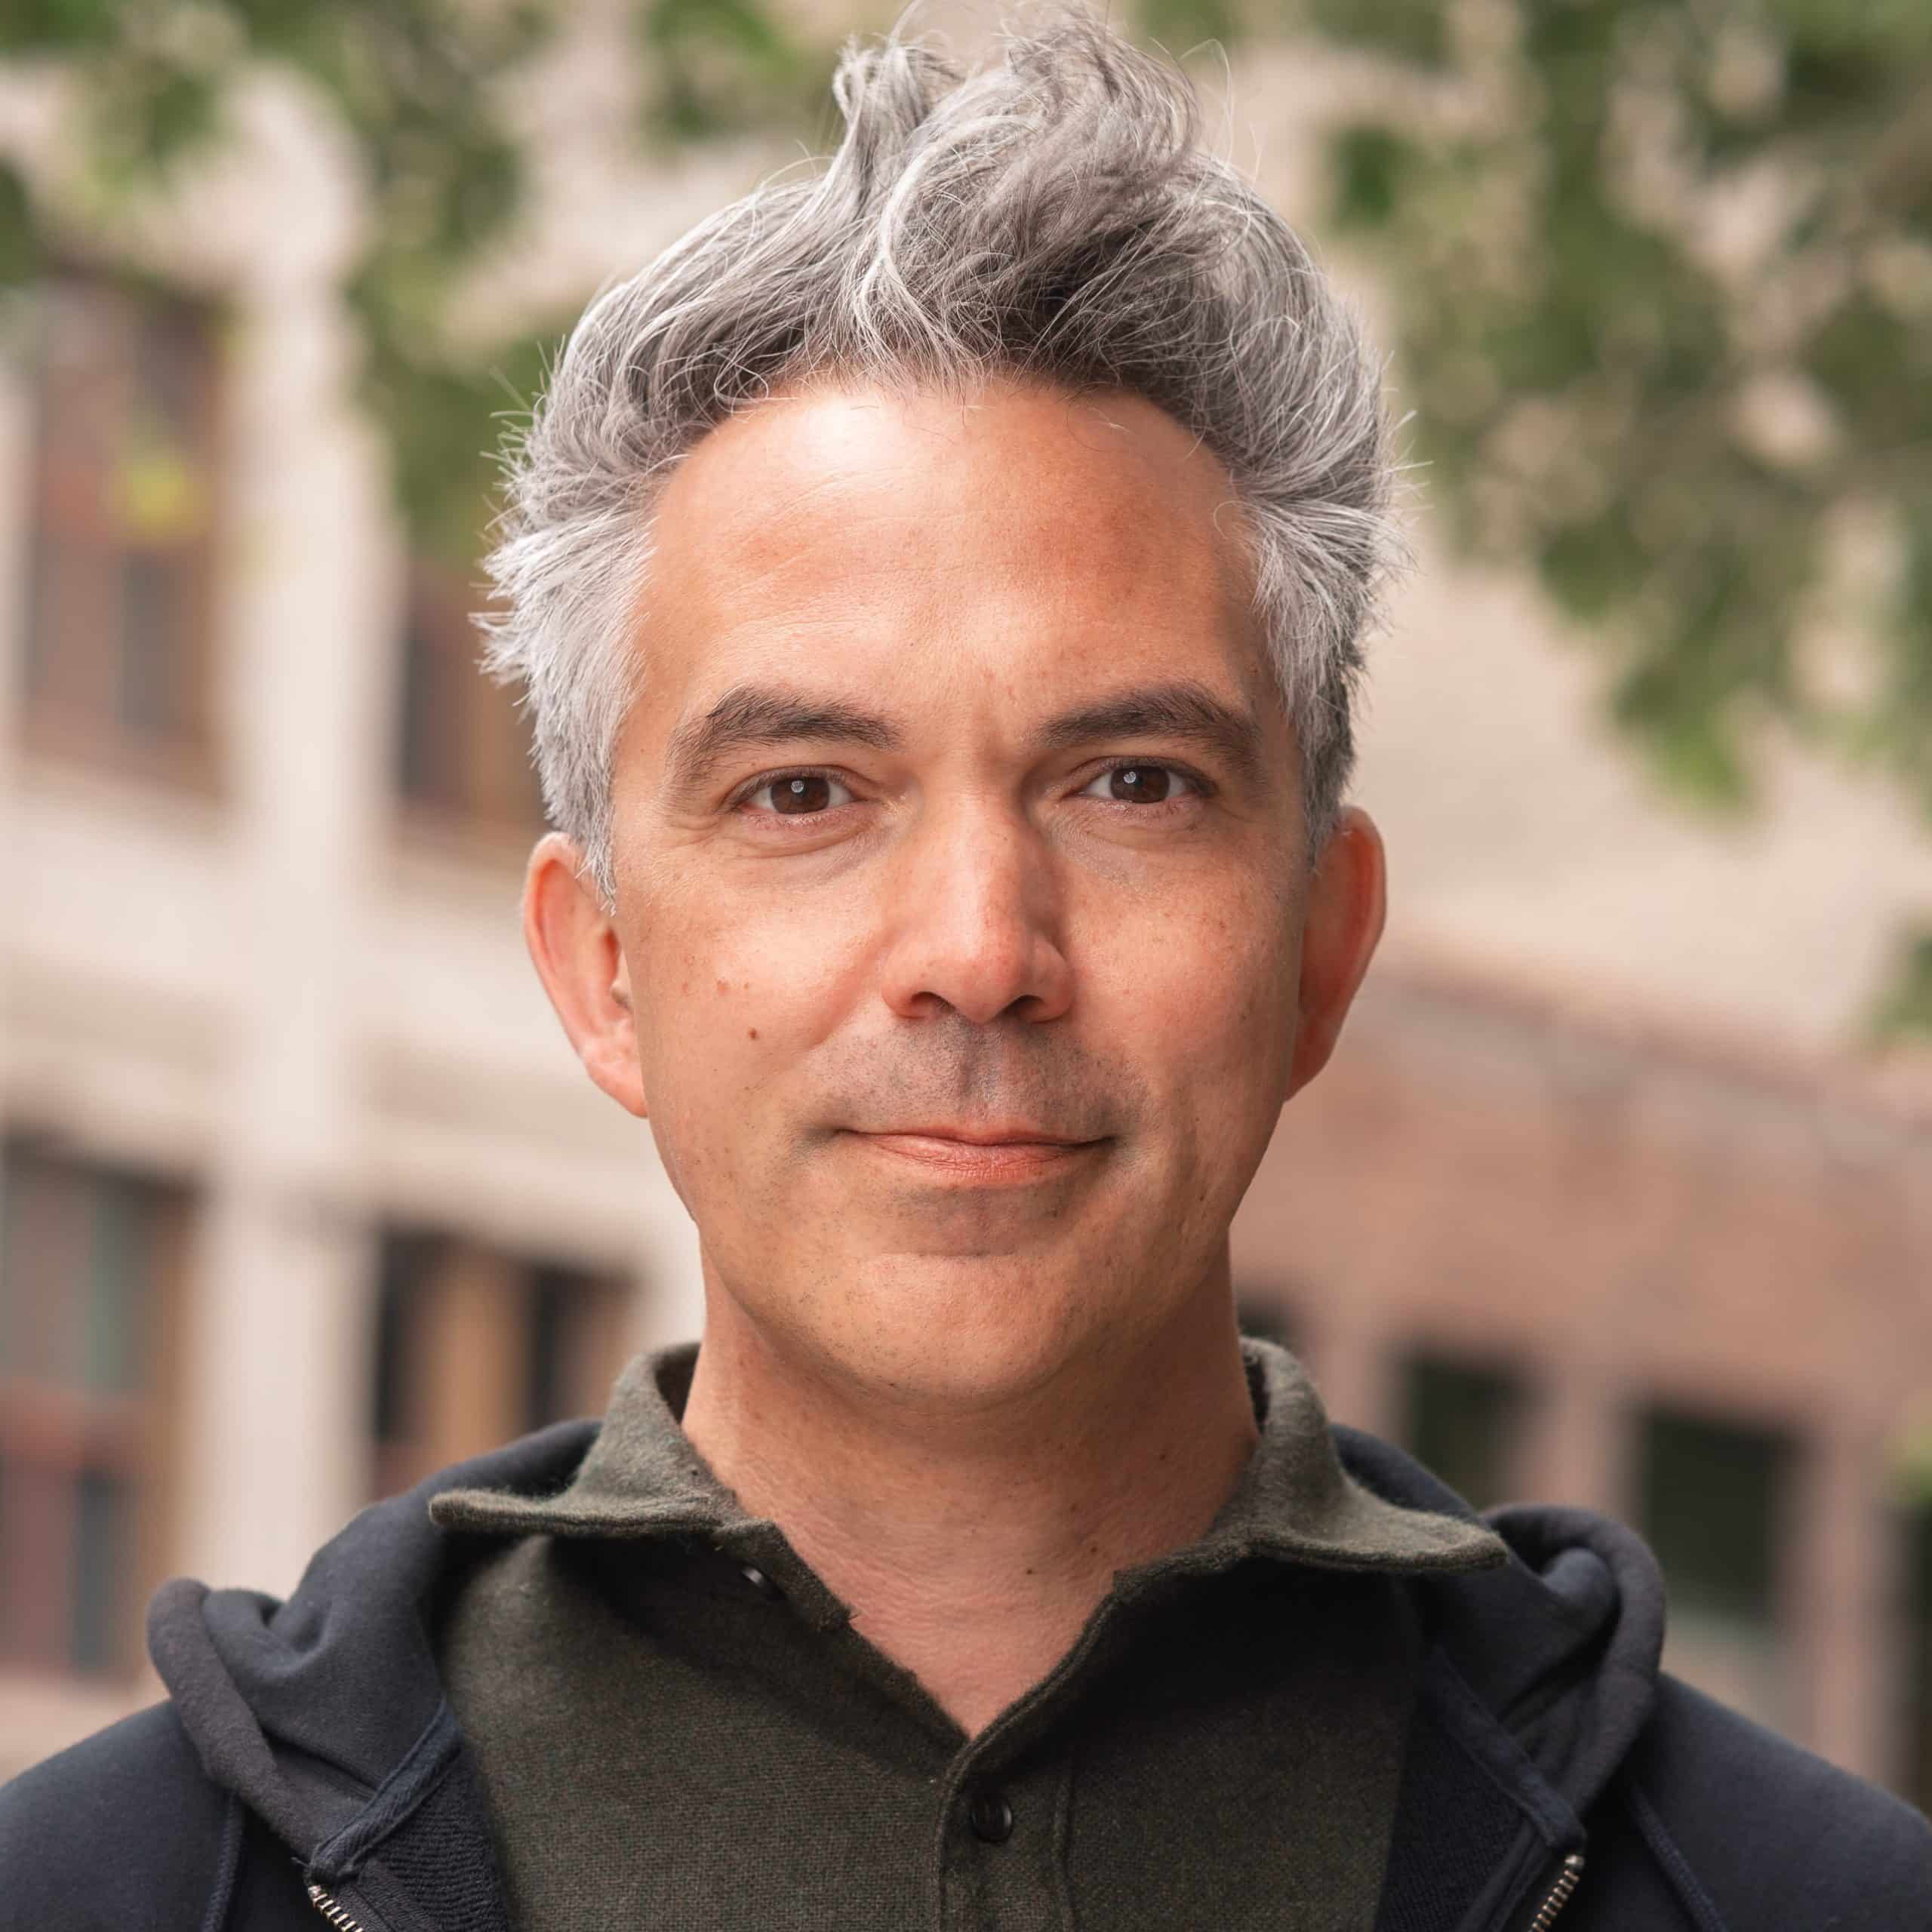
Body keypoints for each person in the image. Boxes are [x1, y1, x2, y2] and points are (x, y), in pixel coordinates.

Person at [5, 5, 1929, 1927]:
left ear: (1320, 945)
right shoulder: (104, 1887)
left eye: (1131, 781)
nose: (977, 951)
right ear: (599, 967)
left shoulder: (1806, 1898)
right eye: (804, 791)